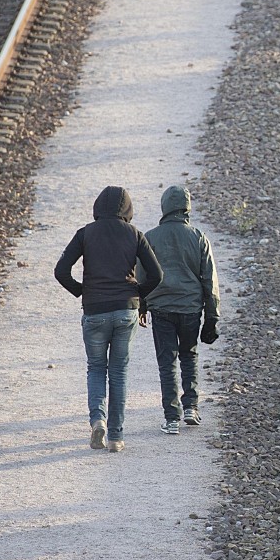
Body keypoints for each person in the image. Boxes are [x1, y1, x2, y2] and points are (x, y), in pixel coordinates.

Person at [55, 186, 162, 453]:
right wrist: (137, 294)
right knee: (118, 372)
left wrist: (81, 290)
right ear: (127, 209)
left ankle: (97, 421)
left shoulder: (85, 233)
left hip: (94, 311)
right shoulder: (135, 234)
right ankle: (116, 437)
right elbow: (157, 275)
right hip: (126, 310)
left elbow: (60, 271)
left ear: (97, 207)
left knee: (95, 368)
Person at [139, 185, 221, 435]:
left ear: (164, 207)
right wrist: (212, 316)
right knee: (189, 355)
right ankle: (191, 408)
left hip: (161, 307)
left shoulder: (150, 237)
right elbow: (209, 280)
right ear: (187, 208)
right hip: (190, 308)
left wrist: (141, 305)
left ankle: (171, 417)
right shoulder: (198, 237)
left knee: (167, 363)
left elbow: (141, 274)